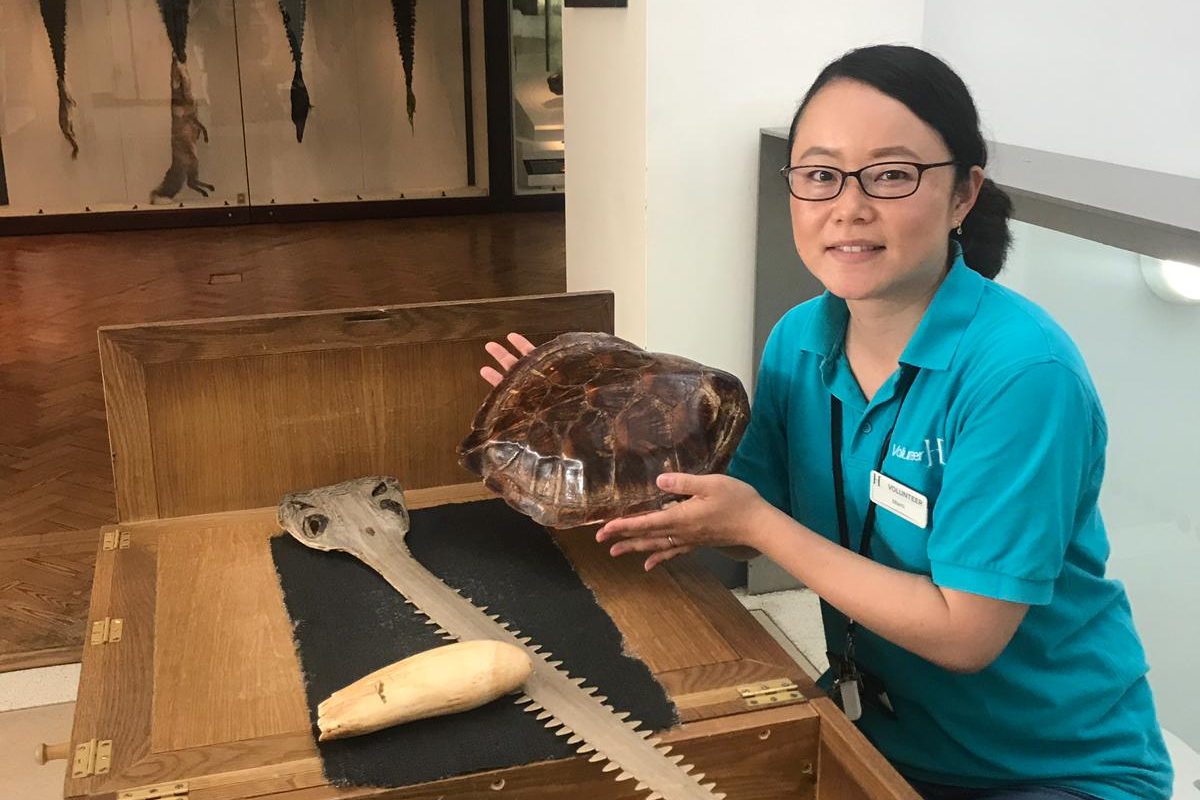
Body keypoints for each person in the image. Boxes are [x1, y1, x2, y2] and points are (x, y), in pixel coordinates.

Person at [480, 45, 1172, 800]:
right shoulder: (801, 339)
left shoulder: (1021, 375)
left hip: (1052, 771)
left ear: (964, 193)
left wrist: (763, 529)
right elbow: (704, 505)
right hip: (876, 726)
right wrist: (579, 422)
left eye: (893, 174)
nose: (849, 206)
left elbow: (967, 634)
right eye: (819, 174)